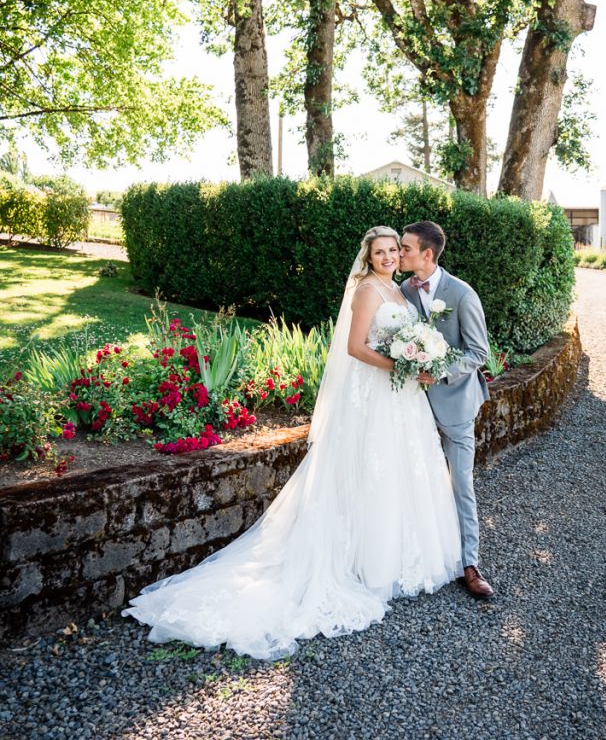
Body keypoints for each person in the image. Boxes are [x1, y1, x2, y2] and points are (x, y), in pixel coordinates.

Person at [122, 226, 463, 659]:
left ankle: (397, 559)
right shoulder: (365, 292)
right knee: (370, 469)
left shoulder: (399, 291)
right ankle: (364, 564)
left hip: (399, 398)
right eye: (380, 252)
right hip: (374, 394)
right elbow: (357, 348)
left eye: (394, 250)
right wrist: (403, 367)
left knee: (398, 470)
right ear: (368, 256)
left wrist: (415, 360)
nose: (389, 256)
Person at [400, 220, 494, 598]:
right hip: (408, 405)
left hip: (455, 402)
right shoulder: (403, 291)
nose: (400, 253)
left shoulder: (462, 294)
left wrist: (437, 371)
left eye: (406, 248)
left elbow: (478, 352)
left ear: (426, 254)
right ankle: (419, 554)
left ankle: (470, 564)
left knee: (461, 483)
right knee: (413, 480)